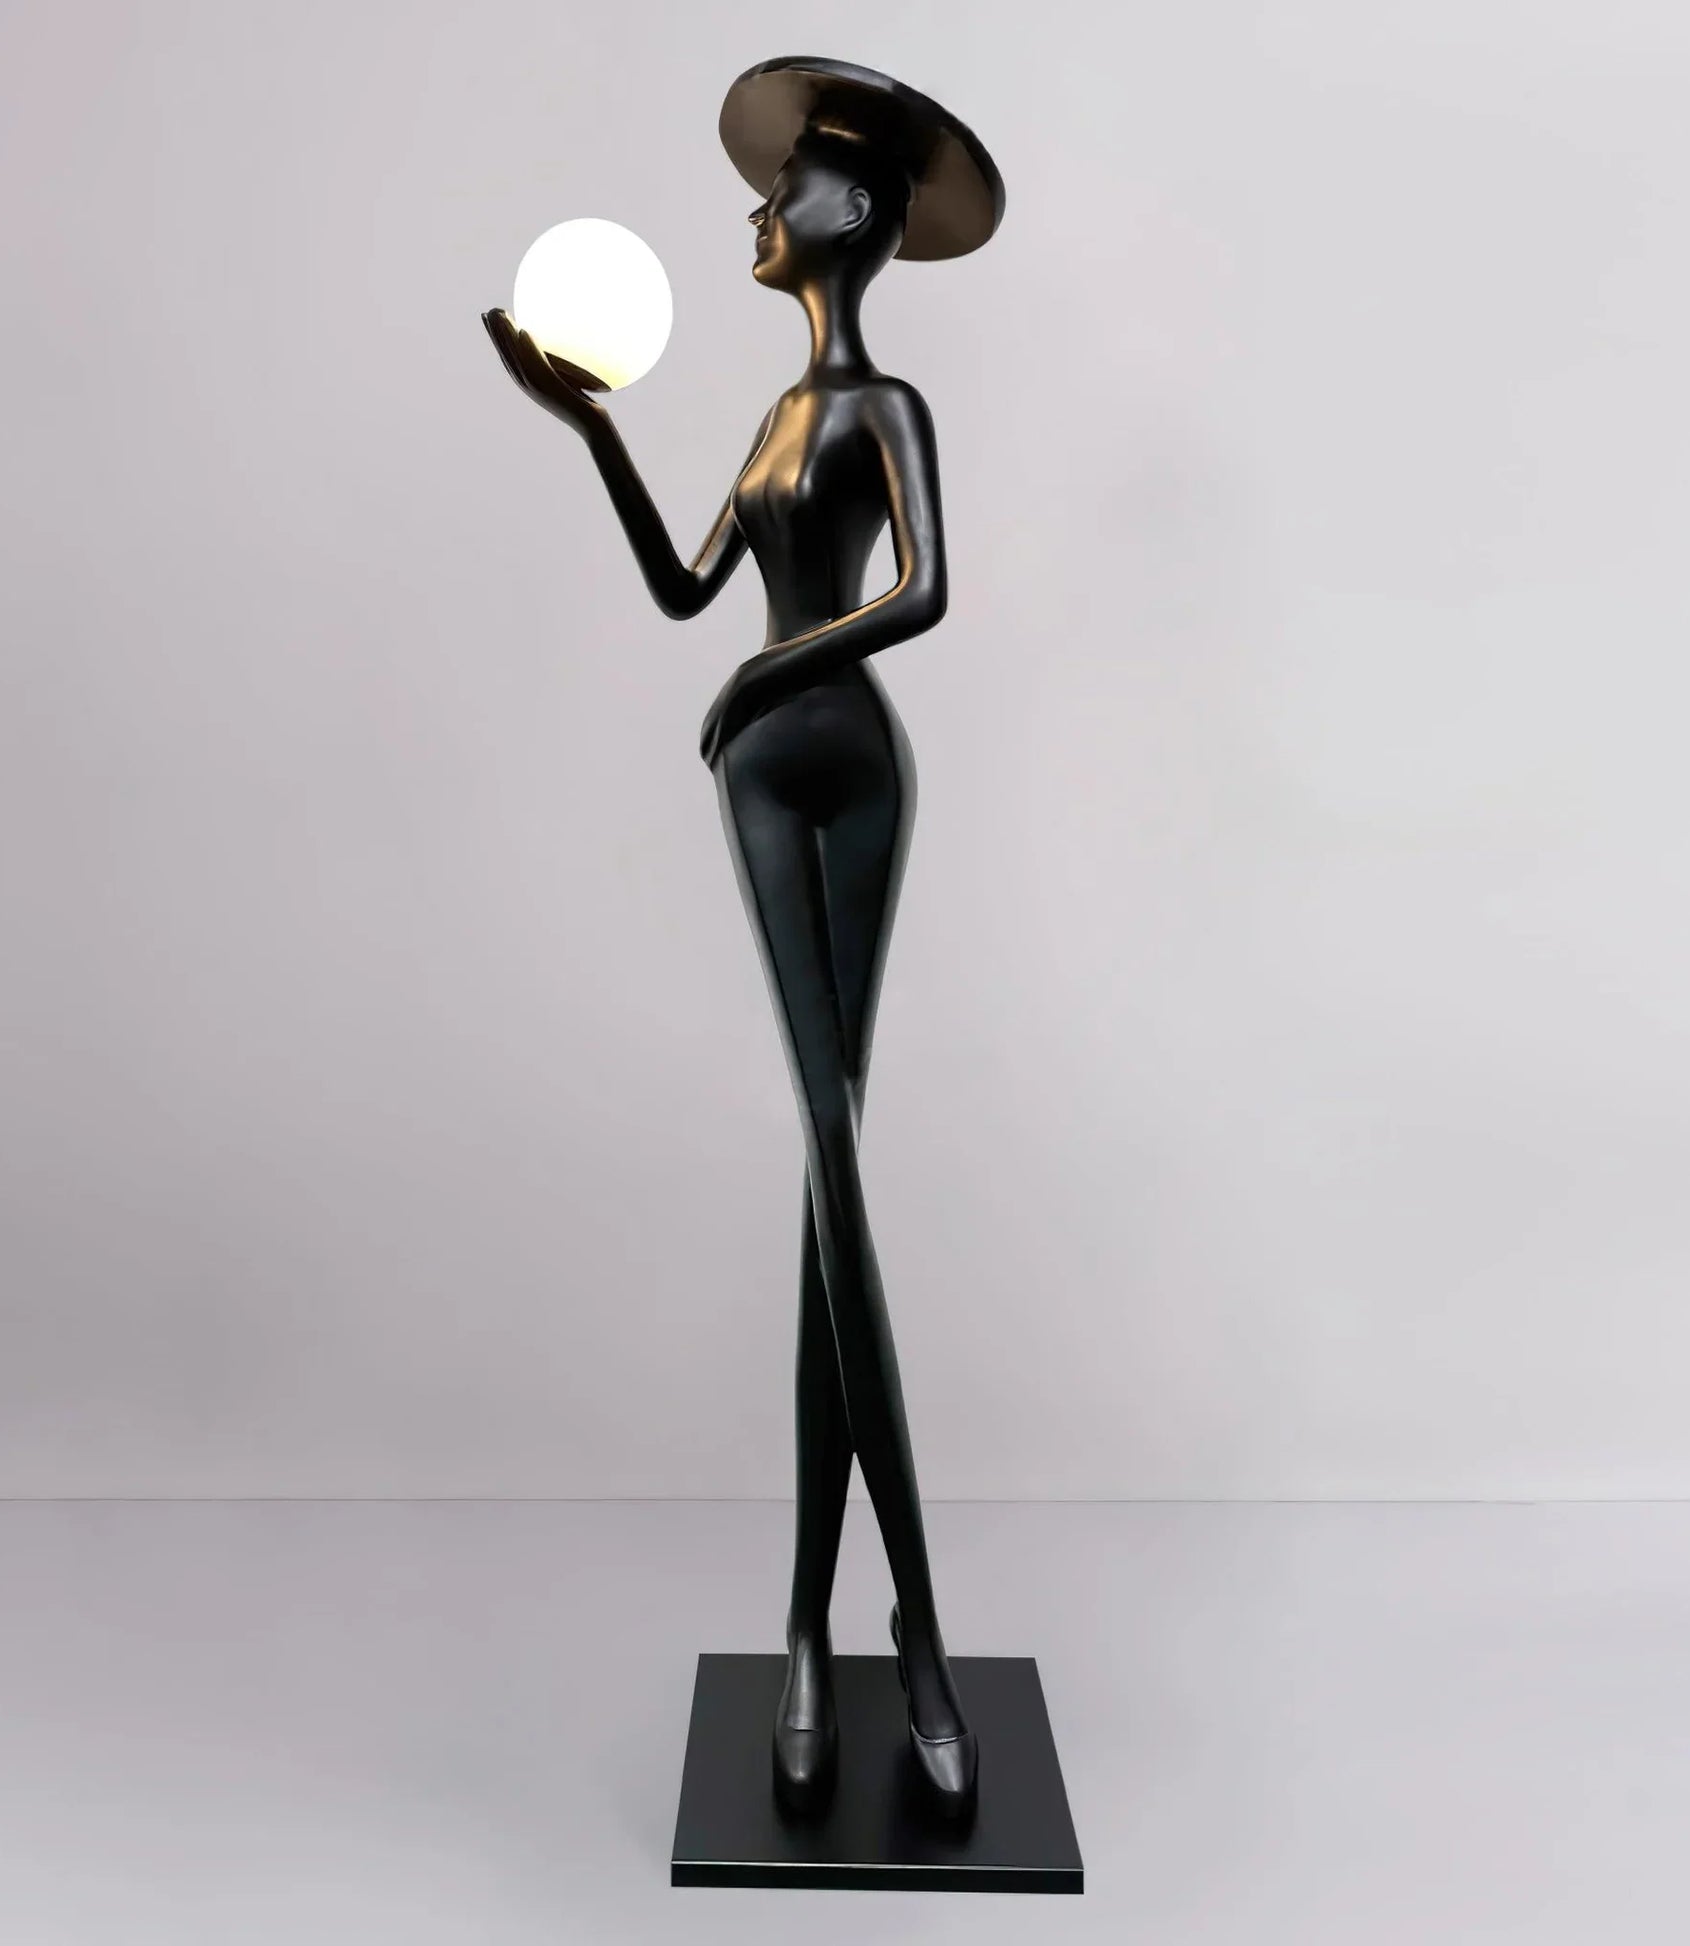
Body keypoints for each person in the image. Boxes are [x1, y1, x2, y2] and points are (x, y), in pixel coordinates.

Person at [482, 57, 1005, 1822]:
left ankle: (875, 1627)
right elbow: (681, 589)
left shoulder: (884, 403)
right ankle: (857, 1631)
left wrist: (761, 675)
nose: (760, 209)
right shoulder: (773, 419)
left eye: (788, 187)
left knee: (828, 1160)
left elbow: (920, 591)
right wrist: (590, 432)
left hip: (847, 761)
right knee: (827, 1160)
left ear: (858, 215)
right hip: (762, 777)